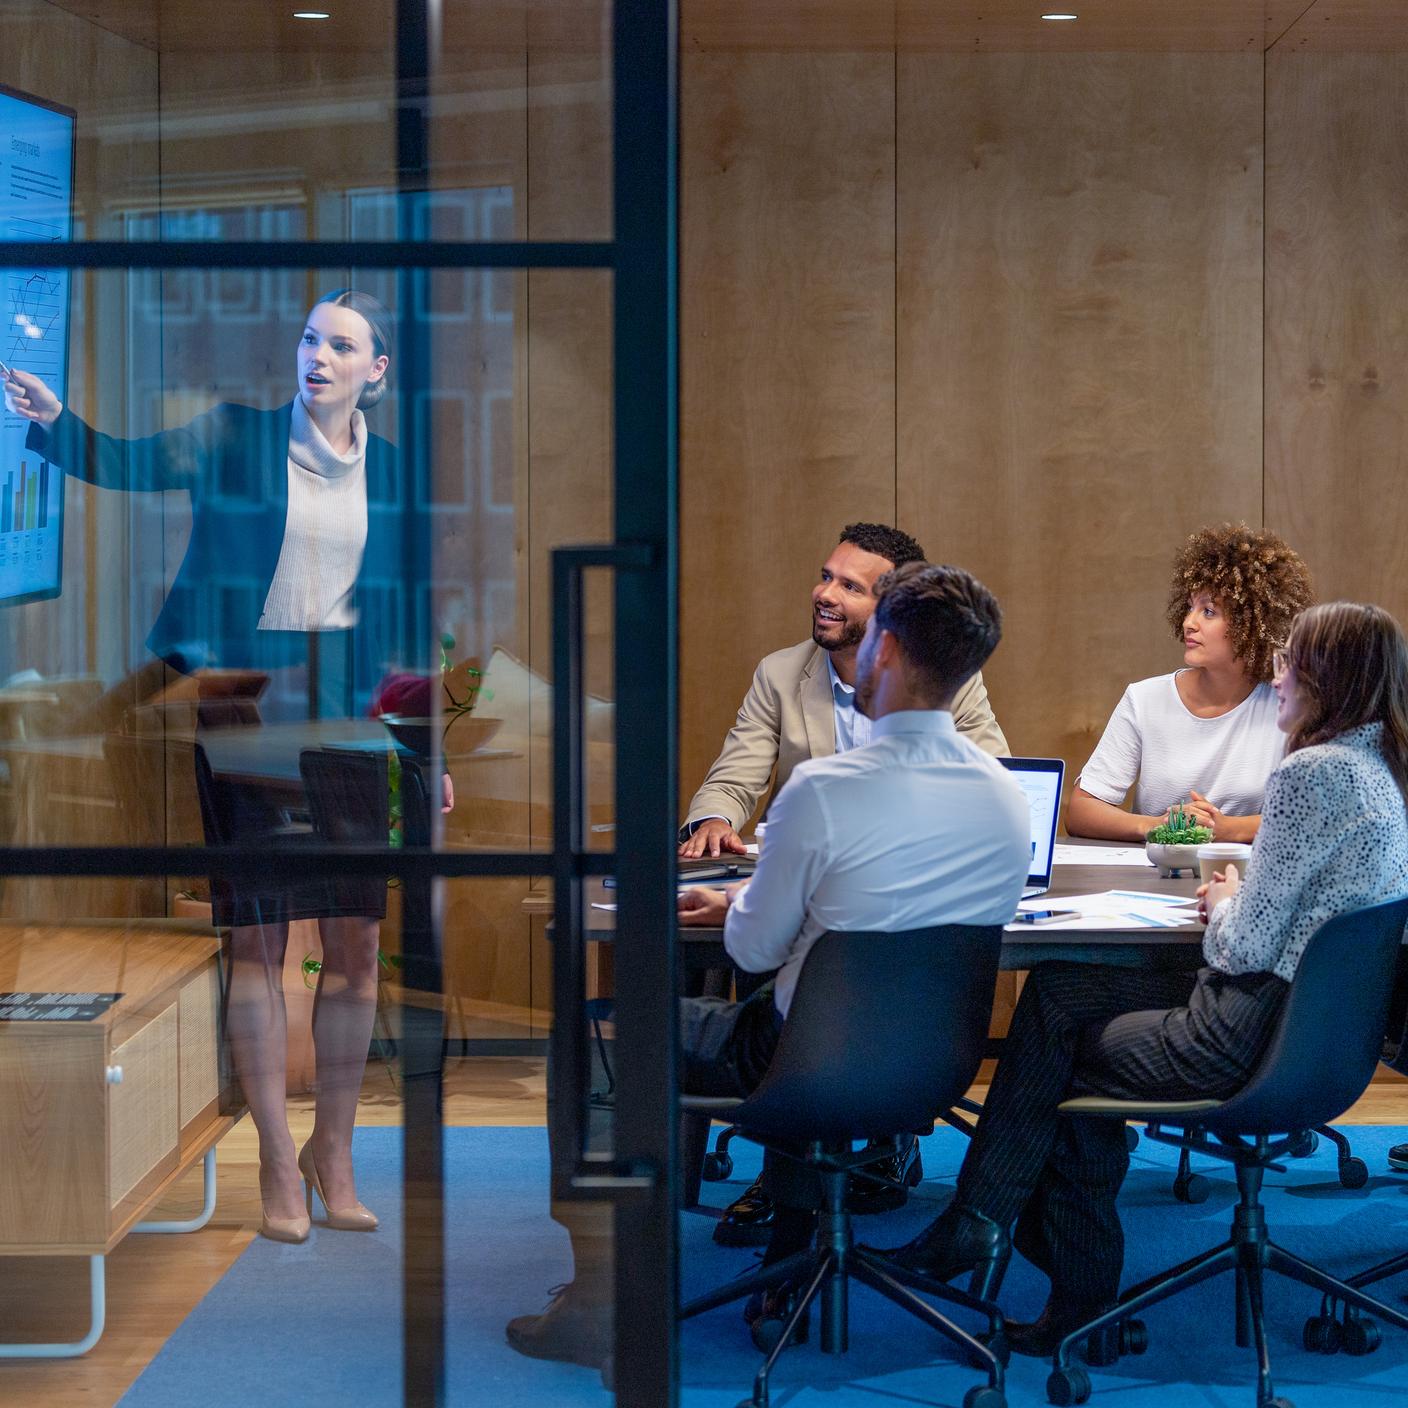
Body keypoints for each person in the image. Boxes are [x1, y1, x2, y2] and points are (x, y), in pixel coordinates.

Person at [4, 289, 448, 1244]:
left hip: (344, 721)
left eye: (341, 346)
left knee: (358, 947)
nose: (316, 357)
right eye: (307, 339)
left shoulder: (399, 473)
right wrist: (55, 424)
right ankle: (278, 1164)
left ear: (377, 371)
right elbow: (131, 463)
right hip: (242, 711)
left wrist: (428, 751)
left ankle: (337, 1151)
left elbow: (410, 626)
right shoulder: (233, 437)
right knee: (261, 942)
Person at [882, 600, 1408, 1357]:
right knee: (1060, 989)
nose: (1280, 672)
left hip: (1241, 1035)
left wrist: (1226, 898)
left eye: (1292, 659)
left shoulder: (1312, 773)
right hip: (1314, 1034)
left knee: (1057, 1050)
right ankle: (987, 1225)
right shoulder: (1376, 767)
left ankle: (1057, 1283)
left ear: (1331, 677)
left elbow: (1241, 949)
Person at [676, 560, 1031, 1343]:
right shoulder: (1010, 800)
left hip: (801, 1059)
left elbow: (754, 946)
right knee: (814, 1013)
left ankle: (601, 1282)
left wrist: (758, 899)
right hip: (937, 1069)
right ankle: (798, 1235)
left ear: (889, 650)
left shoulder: (823, 791)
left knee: (626, 1018)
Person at [1067, 524, 1313, 844]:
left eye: (1208, 611)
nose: (1188, 622)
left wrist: (1227, 829)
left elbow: (1313, 817)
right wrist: (1158, 827)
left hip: (1247, 881)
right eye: (1190, 607)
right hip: (1154, 879)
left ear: (1253, 624)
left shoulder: (1286, 707)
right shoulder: (1145, 699)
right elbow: (1081, 810)